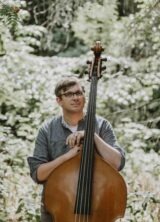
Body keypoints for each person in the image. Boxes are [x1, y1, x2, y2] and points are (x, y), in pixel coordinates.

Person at [28, 77, 125, 222]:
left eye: (79, 93)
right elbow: (38, 174)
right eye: (69, 94)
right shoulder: (47, 130)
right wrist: (67, 157)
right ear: (59, 101)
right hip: (59, 207)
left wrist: (92, 135)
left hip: (98, 207)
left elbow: (118, 163)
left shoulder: (102, 125)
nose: (75, 98)